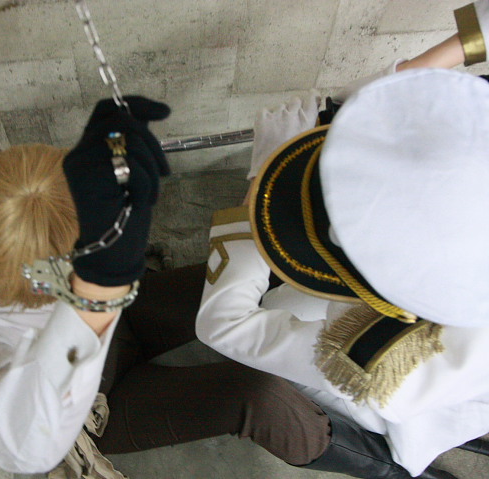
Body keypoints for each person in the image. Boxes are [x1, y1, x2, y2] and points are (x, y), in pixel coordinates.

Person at [0, 96, 340, 478]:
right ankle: (368, 456)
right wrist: (99, 288)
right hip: (101, 403)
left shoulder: (8, 203)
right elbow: (28, 448)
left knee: (265, 272)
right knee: (259, 395)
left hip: (125, 314)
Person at [196, 2, 489, 478]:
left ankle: (390, 466)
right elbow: (426, 126)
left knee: (277, 315)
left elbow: (224, 326)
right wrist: (464, 42)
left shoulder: (386, 357)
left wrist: (258, 187)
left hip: (411, 392)